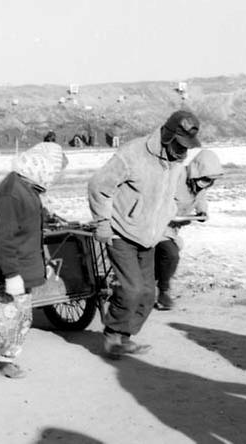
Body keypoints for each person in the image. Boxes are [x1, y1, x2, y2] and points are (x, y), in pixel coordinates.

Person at [87, 110, 201, 358]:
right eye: (180, 145)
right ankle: (112, 334)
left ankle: (123, 337)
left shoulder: (175, 161)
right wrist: (102, 223)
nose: (184, 152)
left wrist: (174, 217)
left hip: (150, 236)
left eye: (187, 147)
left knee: (148, 294)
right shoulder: (133, 154)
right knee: (132, 289)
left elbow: (167, 197)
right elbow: (99, 186)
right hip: (121, 231)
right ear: (168, 135)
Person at [0, 143, 68, 379]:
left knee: (22, 319)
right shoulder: (12, 193)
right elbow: (3, 240)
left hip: (20, 268)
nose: (54, 177)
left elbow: (31, 215)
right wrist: (11, 274)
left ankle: (5, 362)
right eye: (54, 172)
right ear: (41, 166)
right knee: (2, 321)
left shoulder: (28, 187)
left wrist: (49, 217)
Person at [155, 149, 223, 310]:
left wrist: (202, 211)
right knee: (171, 254)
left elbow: (200, 198)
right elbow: (162, 197)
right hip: (156, 224)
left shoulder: (199, 185)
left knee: (164, 258)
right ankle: (163, 291)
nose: (206, 183)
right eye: (205, 178)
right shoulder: (176, 175)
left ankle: (154, 286)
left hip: (172, 227)